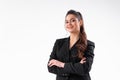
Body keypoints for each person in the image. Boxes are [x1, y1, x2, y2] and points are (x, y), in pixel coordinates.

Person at [47, 9, 95, 80]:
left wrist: (61, 64)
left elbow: (84, 68)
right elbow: (50, 67)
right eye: (66, 22)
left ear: (80, 22)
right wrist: (76, 67)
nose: (69, 24)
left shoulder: (88, 44)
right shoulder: (59, 43)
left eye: (73, 20)